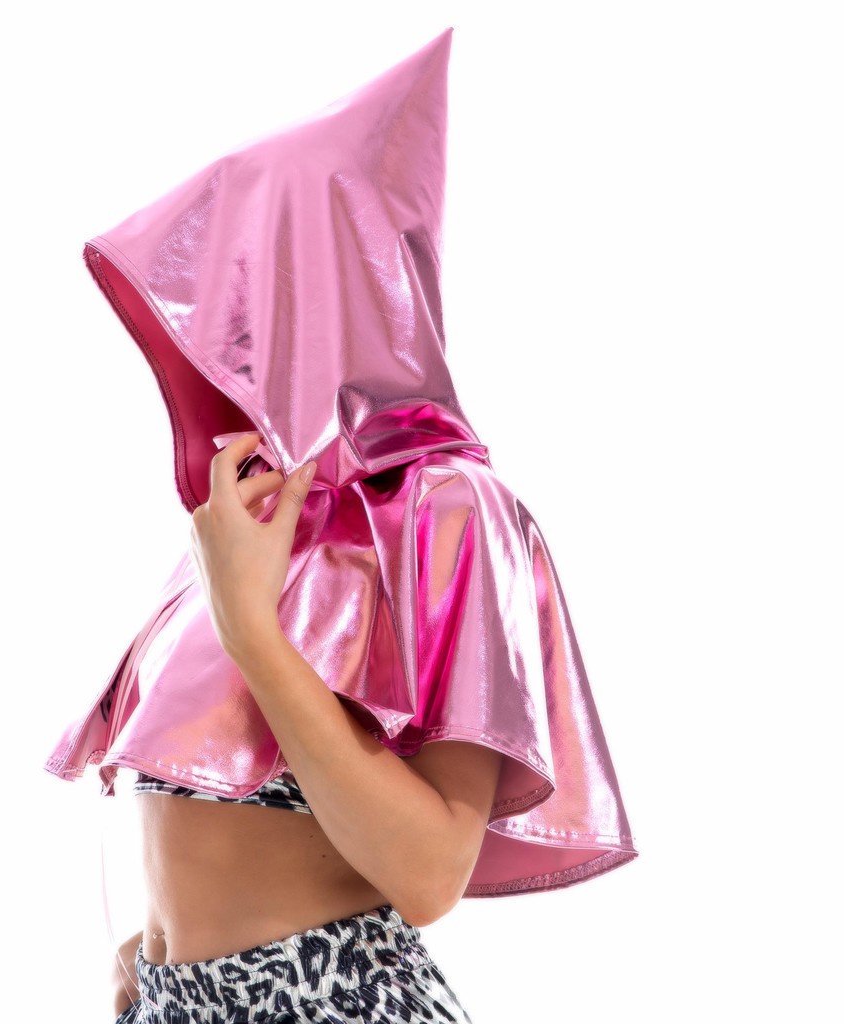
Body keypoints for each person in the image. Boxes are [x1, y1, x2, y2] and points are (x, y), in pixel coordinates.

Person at [44, 27, 638, 1023]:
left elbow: (428, 872)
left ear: (341, 276)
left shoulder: (450, 507)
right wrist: (150, 948)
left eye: (254, 270)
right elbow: (187, 787)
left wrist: (251, 631)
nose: (226, 312)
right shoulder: (252, 506)